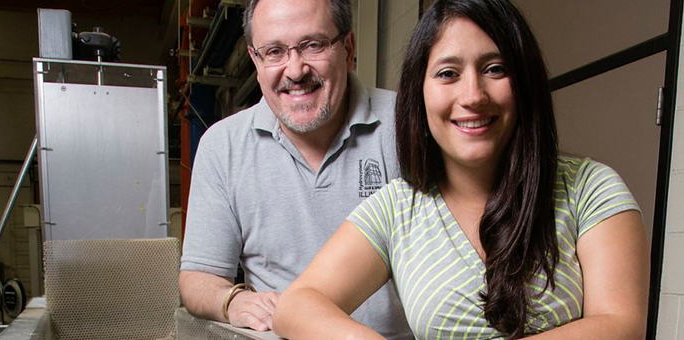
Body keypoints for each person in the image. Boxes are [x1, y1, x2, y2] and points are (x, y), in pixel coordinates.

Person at [272, 0, 650, 339]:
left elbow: (620, 323)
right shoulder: (397, 208)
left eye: (495, 68)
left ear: (525, 83)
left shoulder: (591, 189)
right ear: (419, 93)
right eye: (448, 73)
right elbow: (297, 305)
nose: (472, 95)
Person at [178, 0, 412, 338]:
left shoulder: (409, 124)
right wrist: (231, 300)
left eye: (313, 45)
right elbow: (198, 277)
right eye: (274, 51)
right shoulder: (222, 147)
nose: (295, 70)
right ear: (254, 60)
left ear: (347, 48)